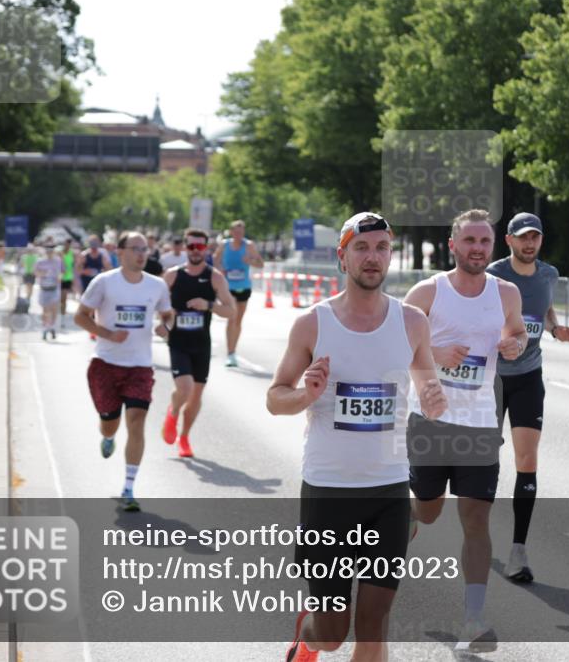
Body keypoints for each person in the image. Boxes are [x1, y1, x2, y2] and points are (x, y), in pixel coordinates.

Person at [268, 212, 447, 662]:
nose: (373, 257)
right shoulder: (313, 323)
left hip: (388, 490)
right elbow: (274, 398)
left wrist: (434, 400)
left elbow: (427, 386)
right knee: (332, 634)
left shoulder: (411, 323)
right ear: (342, 256)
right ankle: (307, 639)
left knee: (372, 628)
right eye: (362, 248)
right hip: (329, 491)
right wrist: (304, 394)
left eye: (382, 248)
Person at [402, 209, 527, 653]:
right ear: (453, 245)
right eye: (469, 241)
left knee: (475, 518)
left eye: (484, 242)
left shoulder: (506, 292)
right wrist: (433, 351)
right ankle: (402, 525)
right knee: (428, 512)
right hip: (431, 423)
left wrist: (515, 344)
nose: (477, 249)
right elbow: (393, 340)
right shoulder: (428, 292)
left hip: (478, 425)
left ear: (493, 248)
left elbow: (516, 335)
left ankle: (473, 618)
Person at [487, 212, 569, 584]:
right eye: (523, 237)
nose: (529, 244)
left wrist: (556, 328)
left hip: (528, 376)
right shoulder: (492, 274)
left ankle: (518, 551)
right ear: (508, 240)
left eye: (535, 238)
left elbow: (545, 306)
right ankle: (476, 534)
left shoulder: (549, 273)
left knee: (527, 459)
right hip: (490, 378)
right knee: (483, 459)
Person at [74, 232, 173, 512]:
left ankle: (129, 487)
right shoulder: (104, 282)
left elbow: (167, 314)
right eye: (136, 249)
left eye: (146, 249)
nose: (142, 254)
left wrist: (166, 327)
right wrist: (106, 333)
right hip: (105, 365)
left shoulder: (157, 285)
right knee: (110, 422)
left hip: (140, 366)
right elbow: (80, 316)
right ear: (120, 252)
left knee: (137, 421)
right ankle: (107, 437)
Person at [158, 229, 235, 458]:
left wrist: (208, 305)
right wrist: (163, 321)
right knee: (185, 388)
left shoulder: (215, 278)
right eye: (191, 246)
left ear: (206, 249)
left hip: (202, 344)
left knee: (195, 396)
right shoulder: (172, 276)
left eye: (199, 247)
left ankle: (184, 437)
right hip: (178, 342)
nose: (195, 251)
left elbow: (231, 312)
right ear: (184, 247)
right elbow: (157, 305)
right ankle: (172, 413)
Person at [213, 220, 264, 367]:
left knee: (238, 320)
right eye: (236, 232)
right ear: (231, 231)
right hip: (228, 287)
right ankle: (230, 353)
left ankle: (233, 350)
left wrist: (250, 261)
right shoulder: (224, 245)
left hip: (244, 286)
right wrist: (220, 269)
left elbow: (260, 264)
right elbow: (215, 261)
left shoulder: (248, 245)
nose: (238, 235)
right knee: (231, 317)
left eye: (241, 232)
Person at [35, 246, 63, 340]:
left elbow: (63, 271)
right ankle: (45, 328)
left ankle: (52, 326)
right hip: (44, 289)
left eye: (51, 251)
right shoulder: (40, 262)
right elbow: (35, 273)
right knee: (45, 310)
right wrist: (42, 273)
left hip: (54, 289)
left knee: (54, 309)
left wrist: (59, 276)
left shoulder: (58, 261)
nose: (49, 253)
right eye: (48, 251)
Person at [59, 239, 76, 323]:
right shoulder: (59, 253)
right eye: (65, 244)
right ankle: (59, 313)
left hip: (68, 278)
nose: (66, 246)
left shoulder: (72, 253)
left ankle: (63, 316)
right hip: (59, 279)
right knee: (59, 298)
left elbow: (73, 266)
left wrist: (74, 279)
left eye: (68, 244)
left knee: (64, 298)